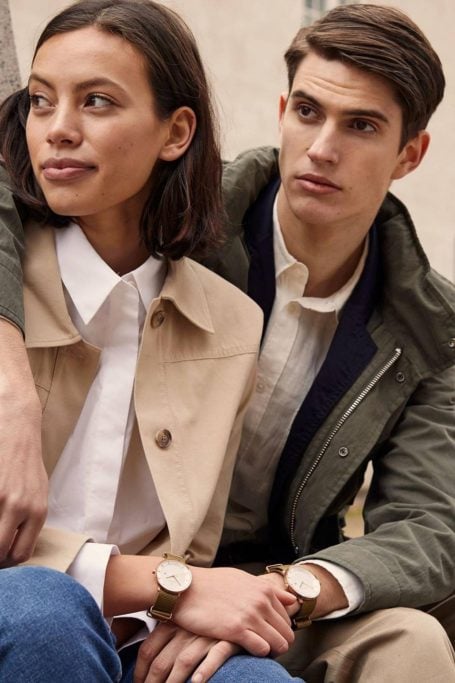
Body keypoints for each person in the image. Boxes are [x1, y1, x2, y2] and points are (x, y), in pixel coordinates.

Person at [0, 2, 454, 682]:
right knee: (45, 612)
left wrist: (283, 589)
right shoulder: (170, 209)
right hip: (117, 578)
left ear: (409, 154)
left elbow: (428, 521)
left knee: (409, 641)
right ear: (282, 111)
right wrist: (10, 384)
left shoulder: (428, 324)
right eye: (307, 112)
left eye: (360, 125)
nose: (322, 148)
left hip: (266, 574)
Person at [0, 1, 308, 681]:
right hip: (22, 615)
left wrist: (187, 605)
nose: (57, 129)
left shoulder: (232, 322)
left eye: (97, 101)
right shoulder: (5, 297)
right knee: (42, 611)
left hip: (140, 636)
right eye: (41, 102)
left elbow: (194, 544)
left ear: (176, 132)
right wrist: (170, 585)